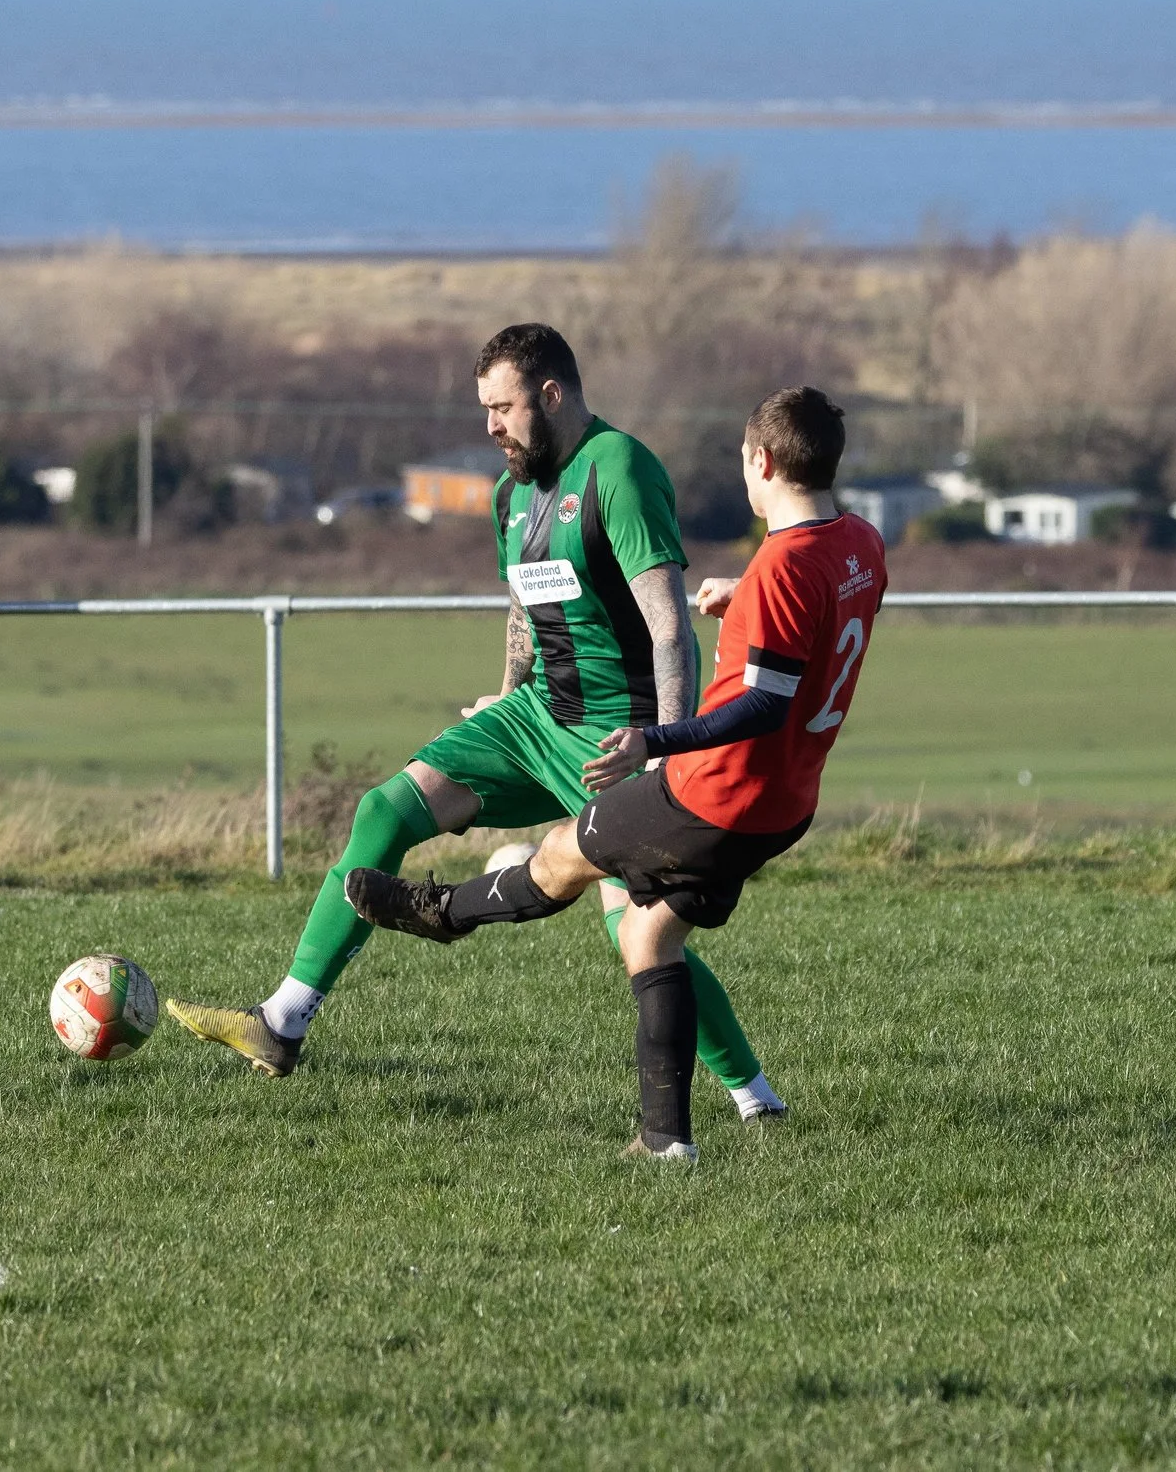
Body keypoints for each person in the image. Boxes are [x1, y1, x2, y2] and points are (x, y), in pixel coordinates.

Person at [167, 323, 788, 1123]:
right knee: (385, 807)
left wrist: (665, 756)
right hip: (532, 718)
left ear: (552, 396)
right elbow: (524, 608)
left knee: (635, 929)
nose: (490, 426)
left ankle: (755, 1099)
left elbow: (670, 626)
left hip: (616, 735)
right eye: (485, 409)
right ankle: (281, 1021)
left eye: (502, 407)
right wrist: (504, 694)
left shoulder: (620, 470)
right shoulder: (510, 492)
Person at [346, 388, 884, 1163]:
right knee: (647, 934)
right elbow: (821, 617)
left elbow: (764, 704)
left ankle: (441, 911)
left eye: (743, 461)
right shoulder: (859, 542)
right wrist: (743, 602)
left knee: (565, 854)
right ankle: (671, 1140)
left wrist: (653, 740)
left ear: (761, 462)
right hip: (784, 805)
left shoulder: (780, 571)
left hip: (712, 795)